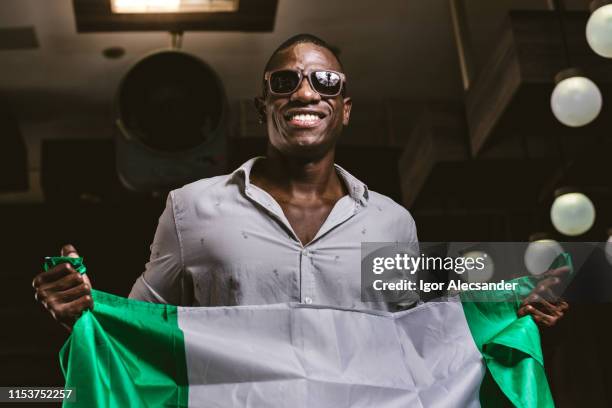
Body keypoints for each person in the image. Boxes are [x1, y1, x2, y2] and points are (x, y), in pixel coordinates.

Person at [32, 33, 568, 331]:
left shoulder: (389, 221)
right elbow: (133, 328)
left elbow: (422, 332)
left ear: (344, 109)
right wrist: (81, 312)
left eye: (325, 81)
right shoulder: (190, 207)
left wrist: (510, 308)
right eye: (285, 81)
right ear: (262, 106)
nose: (305, 92)